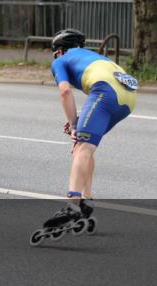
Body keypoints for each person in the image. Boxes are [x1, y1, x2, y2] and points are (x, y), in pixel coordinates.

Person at [29, 29, 137, 245]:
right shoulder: (93, 56)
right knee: (85, 147)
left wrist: (73, 125)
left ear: (59, 51)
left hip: (105, 92)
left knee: (82, 147)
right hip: (129, 97)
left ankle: (72, 204)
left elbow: (65, 92)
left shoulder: (61, 60)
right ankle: (86, 201)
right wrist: (77, 124)